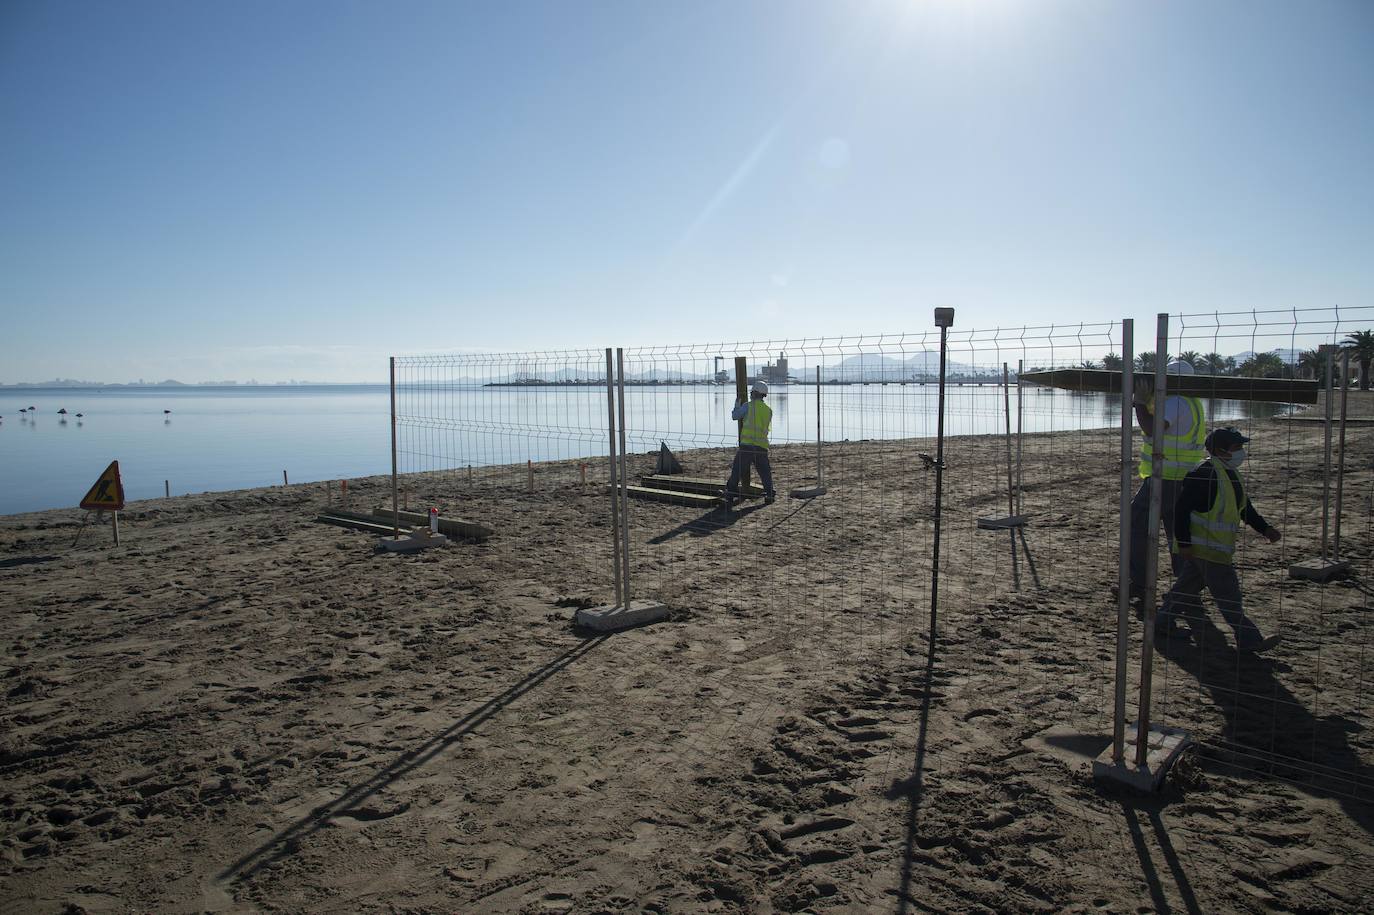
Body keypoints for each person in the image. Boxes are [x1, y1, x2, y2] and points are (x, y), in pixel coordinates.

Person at [1156, 426, 1283, 652]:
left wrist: (1265, 529)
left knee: (1185, 589)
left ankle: (1162, 622)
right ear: (1219, 450)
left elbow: (1244, 508)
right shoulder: (1204, 474)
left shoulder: (1229, 474)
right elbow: (1182, 510)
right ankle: (1249, 639)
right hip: (1206, 548)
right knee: (1228, 595)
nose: (1241, 452)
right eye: (1237, 448)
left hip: (1211, 548)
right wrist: (1184, 543)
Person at [1128, 360, 1207, 599]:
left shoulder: (1175, 402)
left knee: (1137, 525)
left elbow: (1153, 428)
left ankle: (1140, 584)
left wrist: (1139, 403)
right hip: (1183, 477)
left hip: (1166, 477)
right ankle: (1186, 588)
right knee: (1178, 533)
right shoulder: (1193, 402)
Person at [724, 380, 776, 506]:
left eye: (751, 392)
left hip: (747, 446)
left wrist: (737, 405)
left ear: (754, 392)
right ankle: (769, 494)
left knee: (737, 471)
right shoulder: (768, 410)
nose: (750, 394)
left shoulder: (748, 406)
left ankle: (729, 496)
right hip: (761, 447)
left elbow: (735, 416)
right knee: (765, 472)